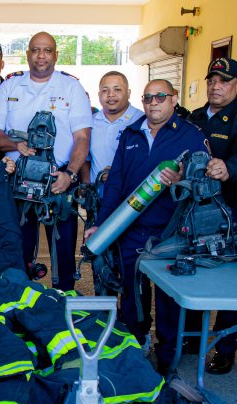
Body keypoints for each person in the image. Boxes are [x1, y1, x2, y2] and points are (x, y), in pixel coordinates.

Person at [84, 79, 208, 374]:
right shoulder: (131, 133)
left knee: (168, 299)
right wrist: (101, 225)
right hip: (131, 228)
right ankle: (135, 346)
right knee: (132, 294)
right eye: (149, 97)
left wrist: (182, 180)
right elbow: (115, 181)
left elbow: (206, 185)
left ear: (174, 99)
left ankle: (168, 359)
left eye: (160, 96)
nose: (154, 102)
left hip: (171, 233)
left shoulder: (191, 136)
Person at [0, 31, 92, 291]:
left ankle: (63, 303)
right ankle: (20, 308)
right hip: (17, 183)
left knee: (64, 255)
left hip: (59, 183)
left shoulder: (72, 88)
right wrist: (16, 145)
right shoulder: (10, 86)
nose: (41, 55)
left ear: (56, 55)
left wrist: (70, 173)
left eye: (47, 50)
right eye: (35, 50)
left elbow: (82, 137)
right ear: (27, 55)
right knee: (17, 252)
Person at [184, 57, 237, 374]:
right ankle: (189, 337)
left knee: (230, 284)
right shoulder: (195, 117)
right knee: (190, 272)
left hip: (232, 211)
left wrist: (227, 168)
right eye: (212, 80)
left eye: (224, 81)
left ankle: (225, 348)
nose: (216, 86)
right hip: (193, 209)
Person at [84, 71, 144, 192]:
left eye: (117, 89)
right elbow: (86, 158)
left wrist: (118, 173)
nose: (111, 95)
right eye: (105, 90)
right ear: (99, 94)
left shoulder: (141, 121)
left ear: (128, 93)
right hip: (97, 199)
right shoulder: (90, 122)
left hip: (129, 199)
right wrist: (86, 185)